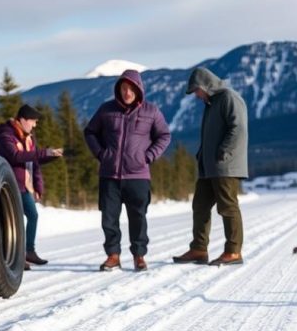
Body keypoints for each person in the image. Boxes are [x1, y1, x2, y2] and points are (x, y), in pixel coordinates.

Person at [84, 69, 171, 272]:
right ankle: (113, 256)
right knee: (109, 218)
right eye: (124, 88)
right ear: (119, 89)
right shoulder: (106, 110)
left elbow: (164, 136)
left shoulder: (151, 111)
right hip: (109, 175)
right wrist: (100, 154)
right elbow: (90, 132)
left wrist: (148, 157)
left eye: (131, 88)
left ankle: (139, 256)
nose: (127, 92)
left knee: (138, 218)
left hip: (138, 176)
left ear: (138, 89)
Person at [172, 67, 248, 266]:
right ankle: (199, 249)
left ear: (205, 85)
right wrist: (202, 154)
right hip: (209, 166)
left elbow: (238, 128)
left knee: (227, 207)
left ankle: (233, 252)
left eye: (196, 91)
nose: (196, 96)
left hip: (225, 165)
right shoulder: (211, 103)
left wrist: (223, 151)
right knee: (200, 205)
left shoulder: (229, 98)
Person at [0, 104, 63, 269]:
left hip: (26, 187)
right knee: (15, 221)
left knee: (32, 216)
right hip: (10, 186)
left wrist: (49, 158)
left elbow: (34, 161)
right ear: (23, 119)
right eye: (33, 121)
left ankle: (29, 252)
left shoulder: (29, 138)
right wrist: (43, 152)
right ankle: (15, 256)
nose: (35, 125)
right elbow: (16, 156)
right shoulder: (6, 134)